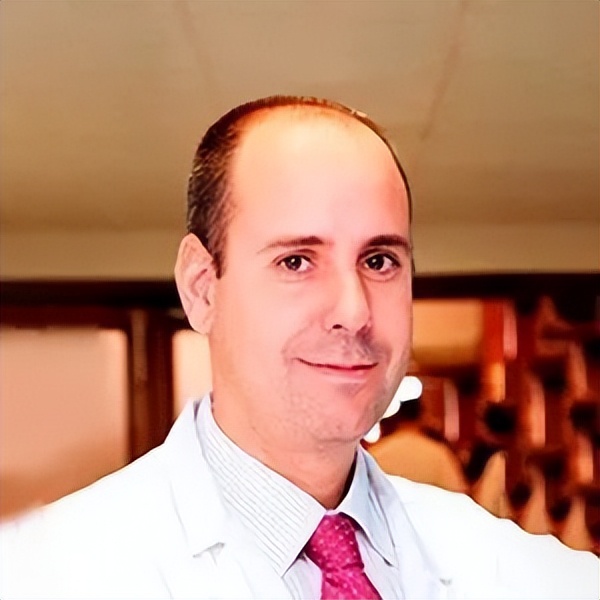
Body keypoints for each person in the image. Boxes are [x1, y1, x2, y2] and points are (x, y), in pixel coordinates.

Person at [0, 96, 597, 599]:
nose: (354, 311)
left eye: (379, 260)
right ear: (202, 288)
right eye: (296, 261)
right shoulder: (41, 575)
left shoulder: (532, 576)